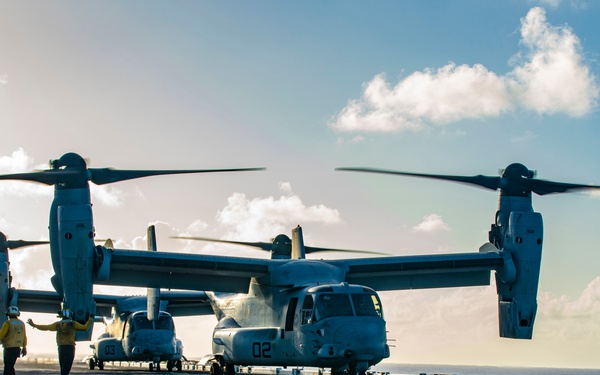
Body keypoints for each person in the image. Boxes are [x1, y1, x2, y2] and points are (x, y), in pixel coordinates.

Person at [27, 307, 93, 375]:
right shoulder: (73, 324)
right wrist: (90, 319)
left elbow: (46, 327)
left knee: (62, 367)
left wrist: (34, 325)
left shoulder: (58, 324)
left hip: (61, 347)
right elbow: (84, 328)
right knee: (67, 367)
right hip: (70, 347)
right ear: (70, 315)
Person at [0, 306, 27, 375]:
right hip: (17, 349)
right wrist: (24, 348)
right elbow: (24, 336)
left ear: (8, 314)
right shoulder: (21, 323)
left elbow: (1, 335)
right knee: (10, 367)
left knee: (8, 368)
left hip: (9, 348)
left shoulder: (8, 323)